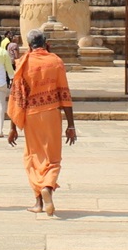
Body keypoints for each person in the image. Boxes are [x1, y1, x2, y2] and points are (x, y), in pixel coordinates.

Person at [7, 28, 77, 215]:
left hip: (31, 115)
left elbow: (16, 97)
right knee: (52, 158)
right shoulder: (56, 62)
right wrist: (71, 125)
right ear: (47, 44)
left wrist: (13, 127)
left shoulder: (23, 63)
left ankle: (39, 201)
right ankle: (47, 187)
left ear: (29, 45)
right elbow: (64, 93)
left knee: (33, 157)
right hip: (52, 114)